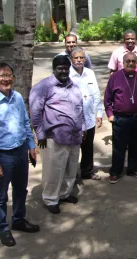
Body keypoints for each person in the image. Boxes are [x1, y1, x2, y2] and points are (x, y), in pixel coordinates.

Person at [0, 62, 40, 247]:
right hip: (1, 156)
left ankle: (18, 220)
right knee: (1, 195)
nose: (6, 79)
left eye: (9, 75)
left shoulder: (17, 97)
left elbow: (25, 123)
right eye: (1, 75)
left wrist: (31, 146)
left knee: (21, 189)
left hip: (20, 152)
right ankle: (3, 228)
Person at [30, 55, 85, 214]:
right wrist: (40, 134)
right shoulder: (43, 87)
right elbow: (35, 112)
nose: (63, 71)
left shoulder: (73, 86)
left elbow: (80, 108)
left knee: (70, 169)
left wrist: (83, 128)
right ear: (53, 69)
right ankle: (50, 198)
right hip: (53, 138)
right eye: (60, 68)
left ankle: (64, 194)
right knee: (53, 170)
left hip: (74, 137)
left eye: (66, 68)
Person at [104, 52, 137, 183]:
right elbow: (107, 99)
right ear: (123, 63)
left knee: (136, 145)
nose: (131, 63)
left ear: (136, 63)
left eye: (133, 61)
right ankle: (115, 171)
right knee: (119, 147)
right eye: (128, 61)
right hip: (121, 118)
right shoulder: (115, 77)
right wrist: (110, 115)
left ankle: (133, 169)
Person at [69, 47, 103, 180]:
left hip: (89, 118)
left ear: (85, 59)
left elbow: (95, 93)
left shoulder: (90, 73)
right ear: (71, 59)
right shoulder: (68, 74)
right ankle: (71, 175)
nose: (79, 60)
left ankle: (87, 171)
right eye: (76, 58)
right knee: (72, 149)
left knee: (88, 147)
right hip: (73, 119)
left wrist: (99, 113)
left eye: (81, 58)